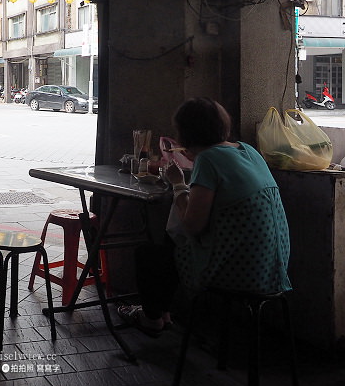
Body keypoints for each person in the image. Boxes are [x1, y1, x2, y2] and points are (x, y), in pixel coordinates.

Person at [118, 97, 292, 336]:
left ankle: (152, 317)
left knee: (150, 254)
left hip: (238, 274)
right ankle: (161, 312)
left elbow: (192, 225)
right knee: (169, 248)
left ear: (185, 134)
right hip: (274, 269)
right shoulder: (248, 150)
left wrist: (178, 184)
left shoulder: (209, 160)